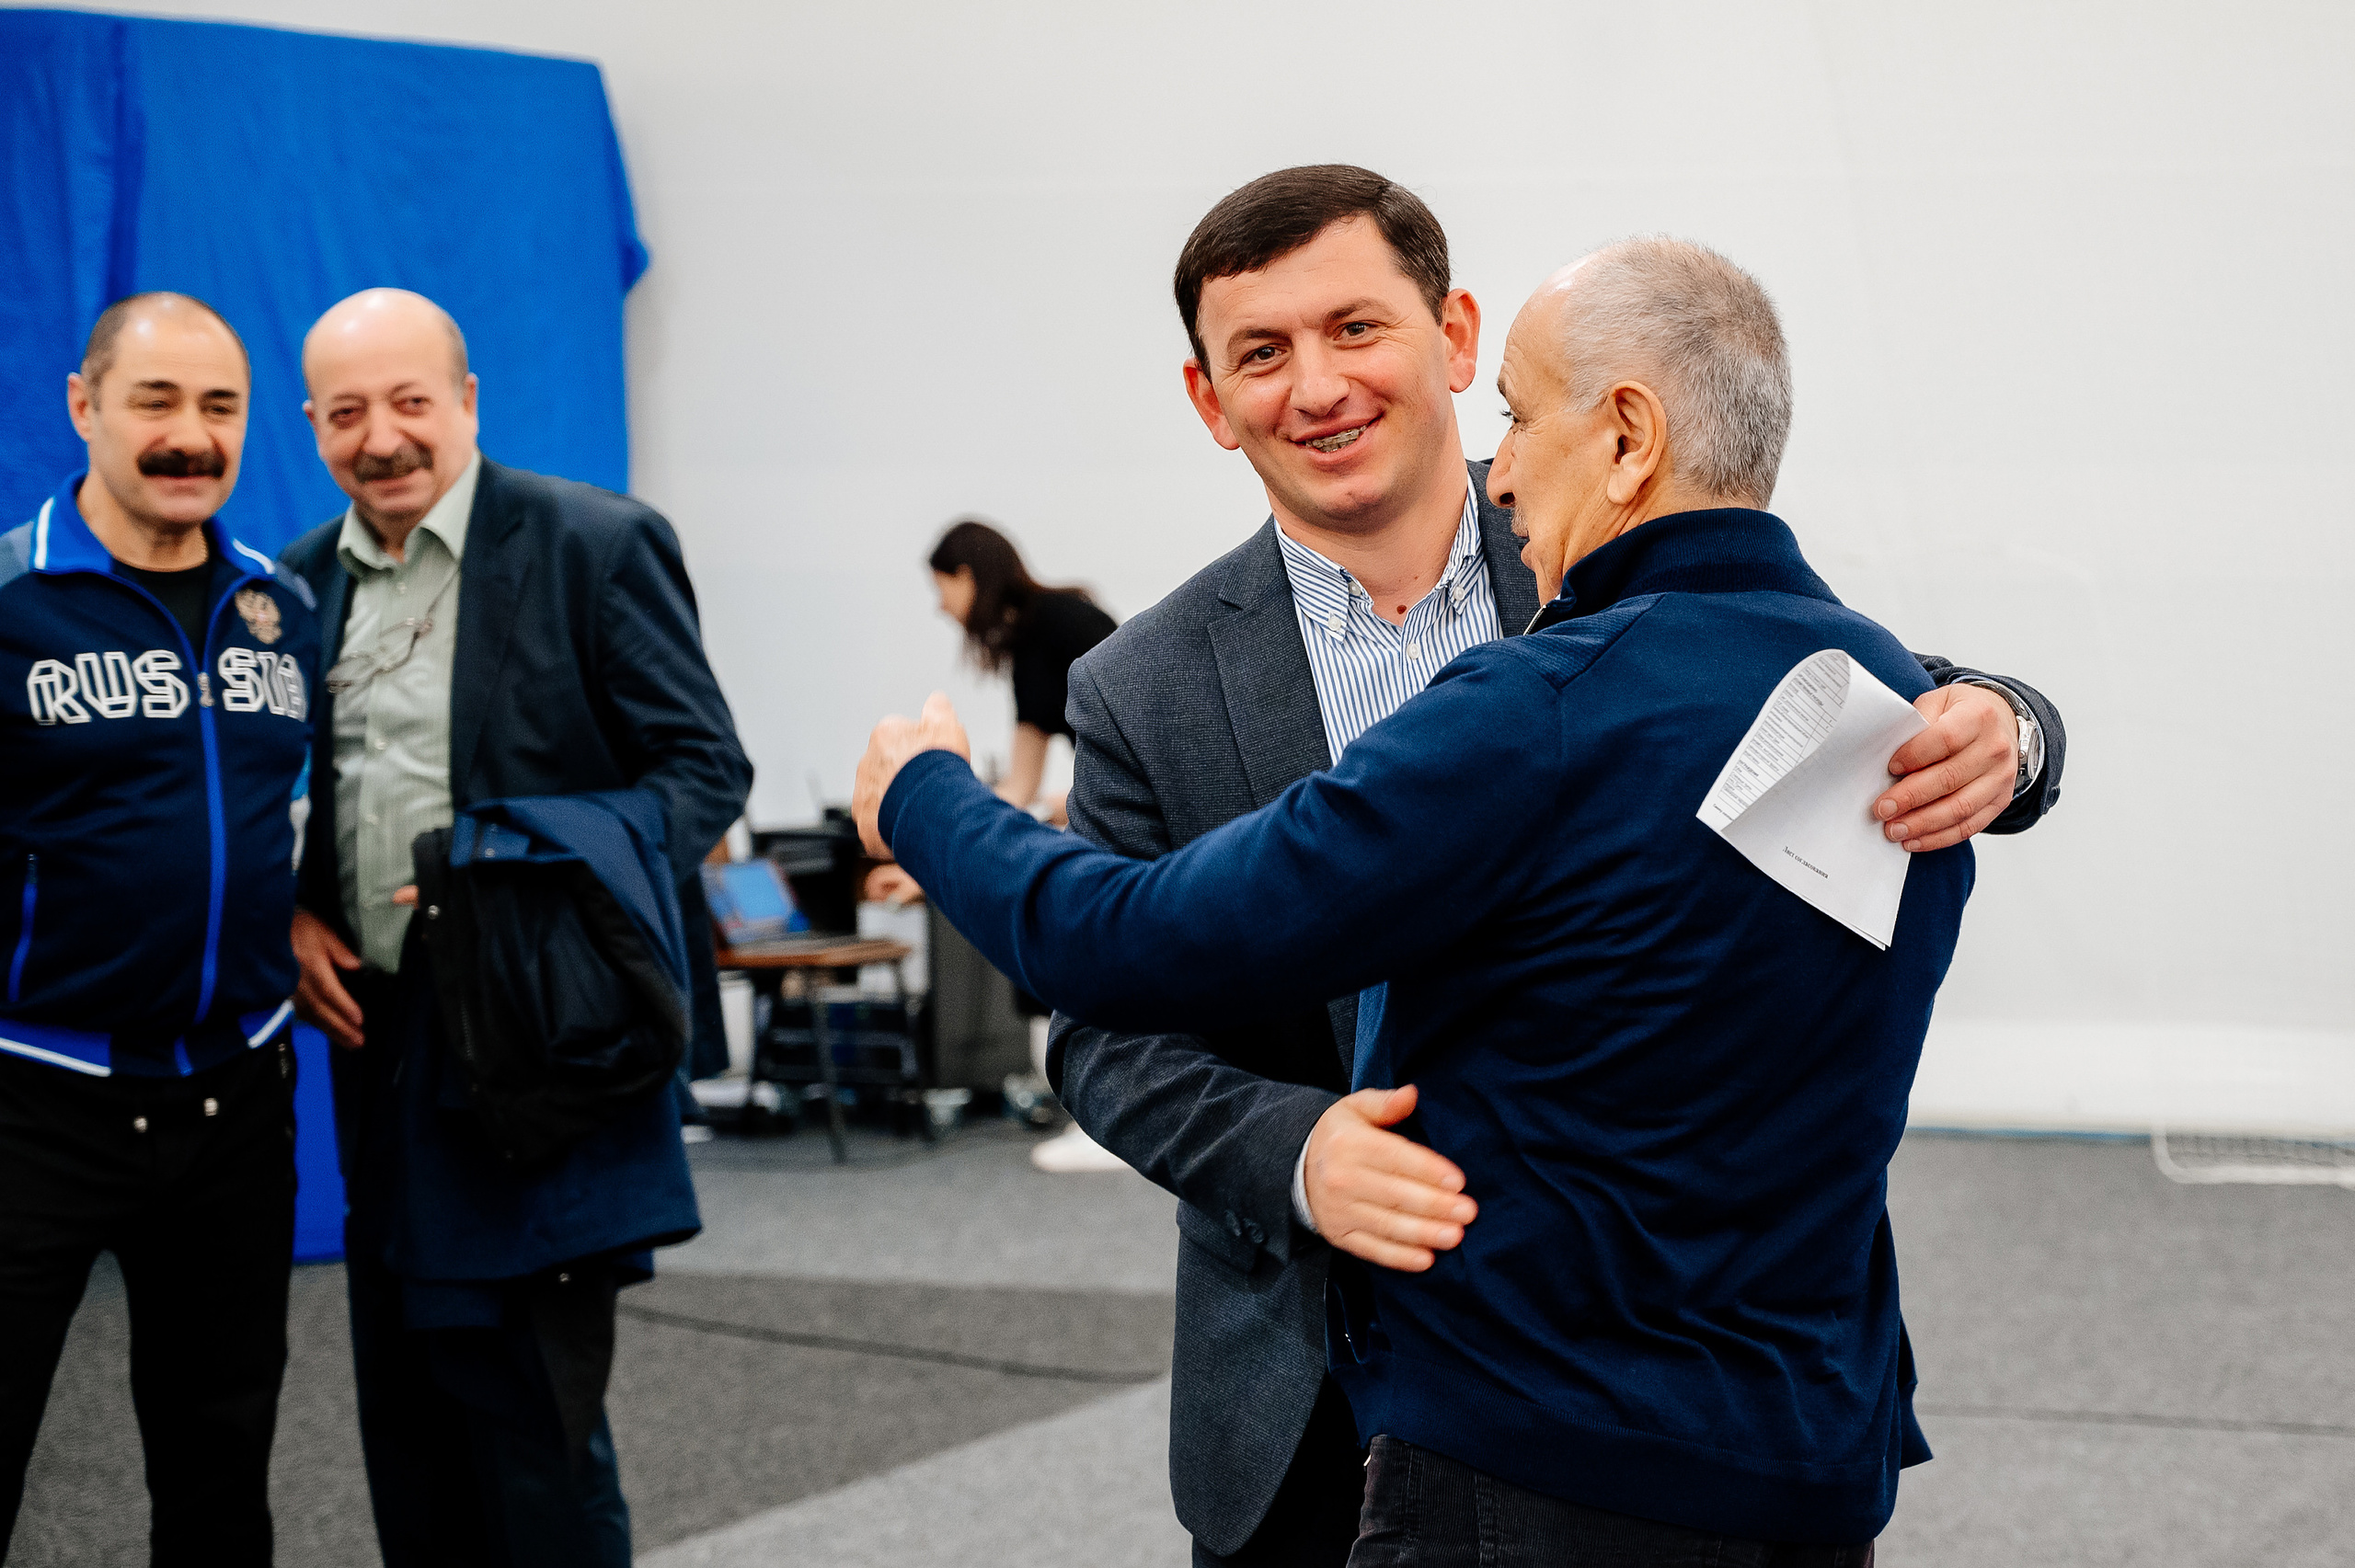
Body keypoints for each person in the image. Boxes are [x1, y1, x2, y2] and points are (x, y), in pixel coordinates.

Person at [856, 235, 1975, 1565]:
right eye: (1261, 351)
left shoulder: (1540, 703)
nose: (1503, 462)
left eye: (1517, 411)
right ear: (1209, 393)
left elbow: (1125, 940)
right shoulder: (1895, 703)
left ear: (1625, 436)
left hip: (1531, 1465)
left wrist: (922, 797)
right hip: (1800, 1462)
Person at [280, 288, 752, 1567]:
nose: (381, 436)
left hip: (548, 1050)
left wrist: (501, 877)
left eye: (410, 401)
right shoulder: (296, 586)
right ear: (312, 422)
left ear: (468, 401)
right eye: (346, 411)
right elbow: (283, 793)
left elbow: (703, 772)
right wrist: (293, 911)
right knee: (408, 1420)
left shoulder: (593, 545)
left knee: (536, 1435)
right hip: (382, 1052)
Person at [0, 292, 321, 1562]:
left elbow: (276, 812)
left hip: (232, 1103)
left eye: (220, 407)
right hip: (35, 1098)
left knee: (219, 1470)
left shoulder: (279, 608)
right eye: (156, 402)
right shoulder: (13, 598)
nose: (191, 435)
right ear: (84, 407)